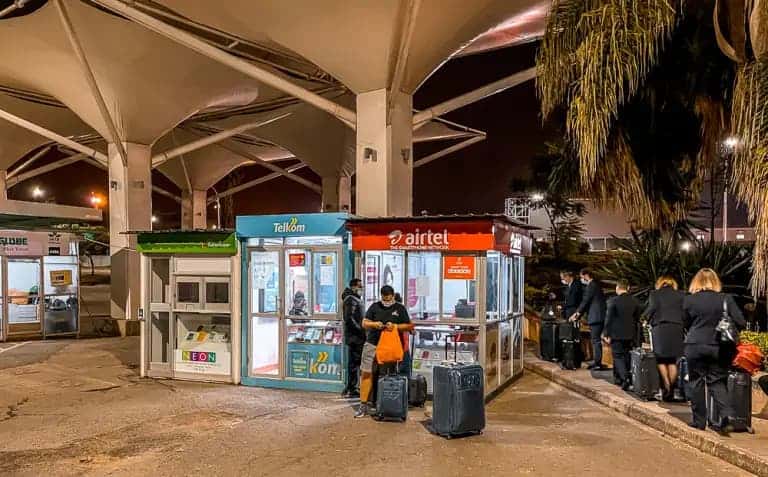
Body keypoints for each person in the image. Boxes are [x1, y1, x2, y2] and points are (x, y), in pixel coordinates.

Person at [683, 268, 746, 433]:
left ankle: (699, 421)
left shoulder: (689, 300)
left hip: (695, 344)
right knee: (716, 381)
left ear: (696, 282)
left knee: (696, 382)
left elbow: (685, 322)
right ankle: (726, 414)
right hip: (719, 346)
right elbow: (740, 321)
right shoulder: (726, 299)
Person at [355, 285, 414, 418]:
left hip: (390, 347)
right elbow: (364, 323)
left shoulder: (400, 308)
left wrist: (395, 326)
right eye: (384, 298)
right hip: (372, 344)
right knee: (366, 373)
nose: (386, 301)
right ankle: (363, 405)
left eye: (388, 299)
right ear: (381, 296)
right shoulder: (375, 307)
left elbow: (409, 325)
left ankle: (386, 405)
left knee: (387, 376)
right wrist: (374, 324)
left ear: (393, 296)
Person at [644, 276, 686, 401]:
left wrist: (645, 319)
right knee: (673, 360)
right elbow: (684, 312)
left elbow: (651, 309)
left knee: (661, 359)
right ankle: (671, 389)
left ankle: (666, 385)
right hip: (676, 328)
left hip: (660, 328)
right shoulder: (681, 294)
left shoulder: (654, 294)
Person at [602, 279, 641, 390]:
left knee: (618, 356)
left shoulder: (613, 301)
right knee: (627, 356)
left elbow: (608, 319)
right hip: (630, 334)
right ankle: (620, 378)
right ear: (628, 288)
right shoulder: (635, 301)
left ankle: (625, 378)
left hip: (616, 334)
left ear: (617, 288)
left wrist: (606, 333)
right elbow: (637, 318)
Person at [570, 268, 607, 370]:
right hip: (599, 316)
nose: (581, 279)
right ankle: (597, 362)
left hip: (596, 317)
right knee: (596, 340)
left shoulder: (591, 286)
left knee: (595, 341)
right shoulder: (596, 285)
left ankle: (597, 363)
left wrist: (576, 314)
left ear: (586, 275)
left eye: (582, 277)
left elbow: (585, 301)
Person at [341, 279, 365, 398]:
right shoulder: (351, 299)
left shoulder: (353, 298)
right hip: (355, 337)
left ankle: (351, 387)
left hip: (355, 336)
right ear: (353, 287)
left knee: (354, 362)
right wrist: (361, 330)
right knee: (354, 363)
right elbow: (349, 318)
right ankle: (352, 388)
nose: (361, 289)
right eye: (360, 287)